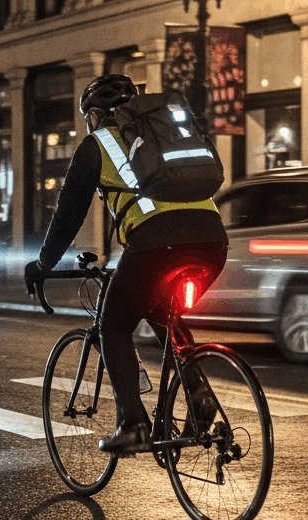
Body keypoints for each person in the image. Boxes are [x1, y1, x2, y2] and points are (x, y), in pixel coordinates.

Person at [24, 74, 229, 455]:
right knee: (161, 311)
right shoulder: (164, 131)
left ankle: (134, 424)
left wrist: (43, 264)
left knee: (113, 325)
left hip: (156, 243)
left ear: (96, 115)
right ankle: (201, 401)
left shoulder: (97, 143)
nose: (90, 125)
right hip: (213, 241)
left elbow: (68, 215)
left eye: (89, 118)